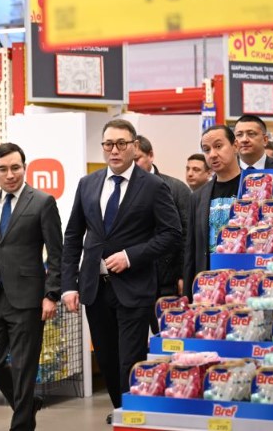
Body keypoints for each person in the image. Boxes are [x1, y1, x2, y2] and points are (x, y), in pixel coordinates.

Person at [62, 120, 181, 423]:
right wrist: (69, 285)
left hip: (134, 286)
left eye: (121, 144)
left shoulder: (153, 186)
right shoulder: (88, 184)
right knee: (107, 358)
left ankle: (132, 415)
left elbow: (171, 234)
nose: (114, 150)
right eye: (108, 144)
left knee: (130, 359)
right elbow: (73, 235)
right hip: (95, 287)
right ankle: (121, 409)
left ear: (134, 146)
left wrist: (131, 256)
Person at [0, 143, 62, 431]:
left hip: (28, 299)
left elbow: (57, 253)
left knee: (23, 366)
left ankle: (21, 426)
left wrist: (51, 294)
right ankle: (28, 403)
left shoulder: (42, 202)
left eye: (15, 168)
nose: (10, 174)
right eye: (3, 169)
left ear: (24, 167)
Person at [183, 125, 242, 298]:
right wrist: (188, 295)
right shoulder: (198, 197)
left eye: (218, 146)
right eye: (206, 149)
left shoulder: (253, 186)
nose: (213, 154)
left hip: (244, 280)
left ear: (235, 146)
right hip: (209, 286)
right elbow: (191, 250)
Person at [135, 134, 190, 300]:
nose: (133, 166)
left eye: (137, 159)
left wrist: (183, 274)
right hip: (133, 281)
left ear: (150, 155)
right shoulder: (122, 191)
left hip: (168, 280)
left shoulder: (177, 188)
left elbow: (187, 235)